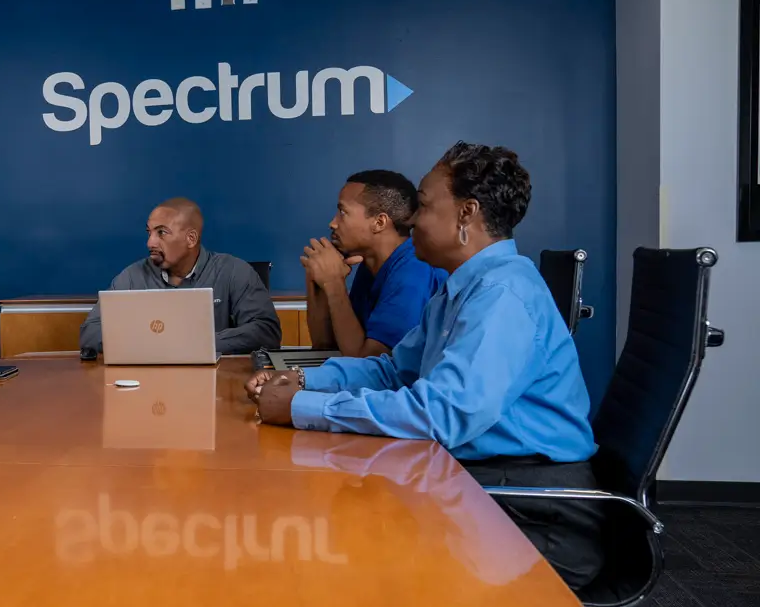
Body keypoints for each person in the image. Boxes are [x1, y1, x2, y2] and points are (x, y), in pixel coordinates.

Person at [247, 142, 597, 467]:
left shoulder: (502, 294)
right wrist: (302, 379)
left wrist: (300, 406)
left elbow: (442, 415)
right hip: (478, 466)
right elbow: (393, 372)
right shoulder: (460, 287)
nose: (411, 220)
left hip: (528, 486)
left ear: (466, 213)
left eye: (424, 205)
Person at [79, 198, 281, 356]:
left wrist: (196, 343)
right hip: (147, 387)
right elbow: (90, 332)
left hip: (216, 385)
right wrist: (148, 343)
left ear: (190, 239)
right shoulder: (132, 276)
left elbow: (266, 331)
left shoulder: (235, 271)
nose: (150, 243)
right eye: (149, 233)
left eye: (161, 233)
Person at [303, 170, 448, 357]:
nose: (333, 223)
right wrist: (316, 278)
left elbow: (367, 363)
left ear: (379, 222)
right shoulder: (370, 266)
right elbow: (325, 347)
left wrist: (333, 283)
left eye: (342, 212)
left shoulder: (414, 271)